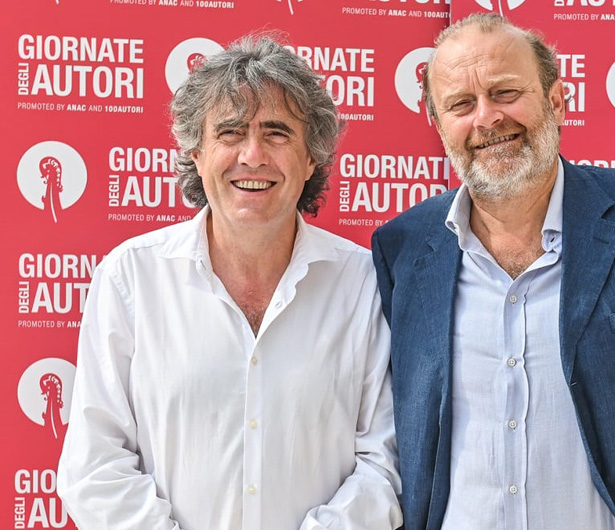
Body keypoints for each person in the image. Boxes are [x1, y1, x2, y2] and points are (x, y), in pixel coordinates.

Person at [371, 13, 615, 530]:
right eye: (460, 105)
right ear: (439, 126)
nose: (486, 118)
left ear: (556, 101)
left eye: (506, 92)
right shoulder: (402, 249)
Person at [58, 35, 402, 530]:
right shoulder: (130, 276)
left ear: (312, 159)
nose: (253, 154)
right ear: (197, 153)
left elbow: (384, 463)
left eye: (277, 133)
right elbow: (95, 465)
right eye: (231, 132)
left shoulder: (362, 283)